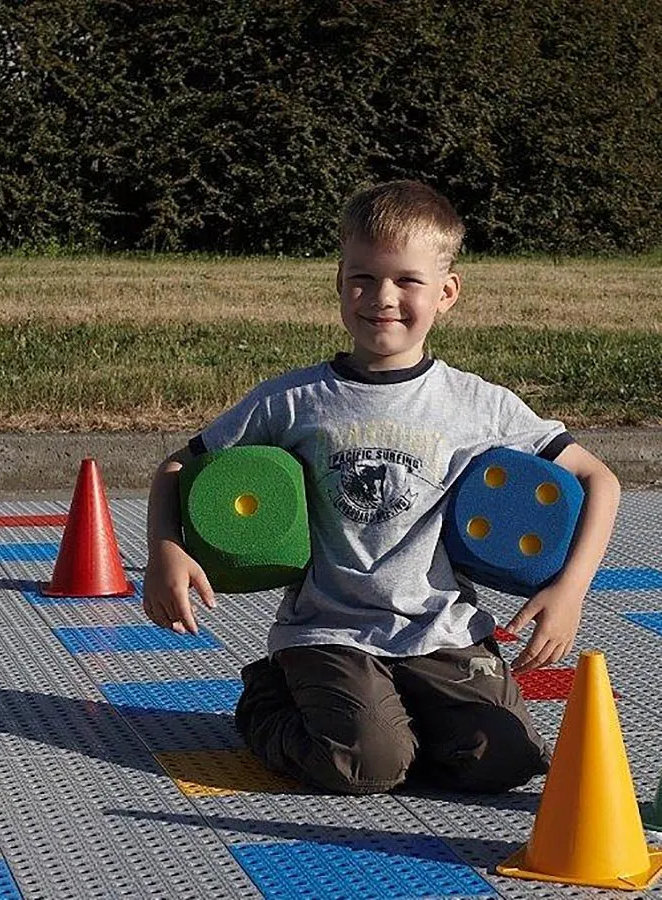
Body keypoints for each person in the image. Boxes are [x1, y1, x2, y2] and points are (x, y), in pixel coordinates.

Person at [142, 180, 621, 795]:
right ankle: (268, 696)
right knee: (369, 766)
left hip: (442, 628)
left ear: (447, 292)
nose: (382, 297)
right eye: (362, 278)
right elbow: (178, 467)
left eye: (407, 281)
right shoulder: (293, 400)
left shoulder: (479, 404)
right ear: (339, 282)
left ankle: (391, 714)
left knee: (506, 761)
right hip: (330, 628)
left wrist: (571, 589)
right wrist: (165, 550)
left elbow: (597, 478)